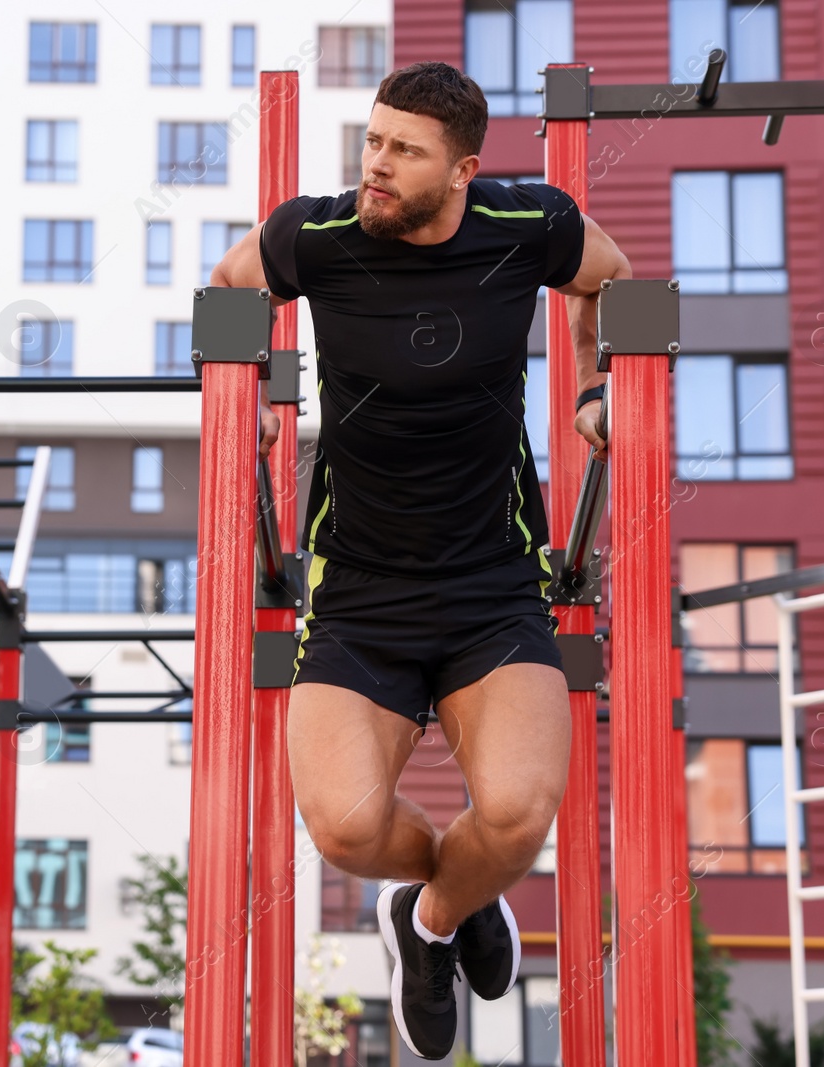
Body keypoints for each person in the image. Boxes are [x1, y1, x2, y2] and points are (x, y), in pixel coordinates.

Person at [210, 61, 629, 1058]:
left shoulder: (527, 225)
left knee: (522, 811)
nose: (376, 167)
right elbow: (229, 291)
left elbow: (612, 279)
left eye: (403, 152)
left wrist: (591, 388)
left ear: (464, 168)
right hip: (358, 586)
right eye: (372, 141)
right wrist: (267, 410)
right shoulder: (311, 235)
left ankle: (435, 913)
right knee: (344, 830)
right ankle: (451, 893)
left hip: (491, 579)